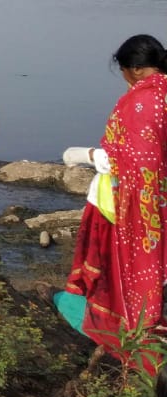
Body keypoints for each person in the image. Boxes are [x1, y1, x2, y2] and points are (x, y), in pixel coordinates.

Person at [61, 34, 167, 372]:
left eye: (123, 71)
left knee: (137, 270)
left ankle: (137, 335)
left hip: (143, 202)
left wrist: (89, 155)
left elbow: (139, 159)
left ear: (134, 70)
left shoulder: (141, 103)